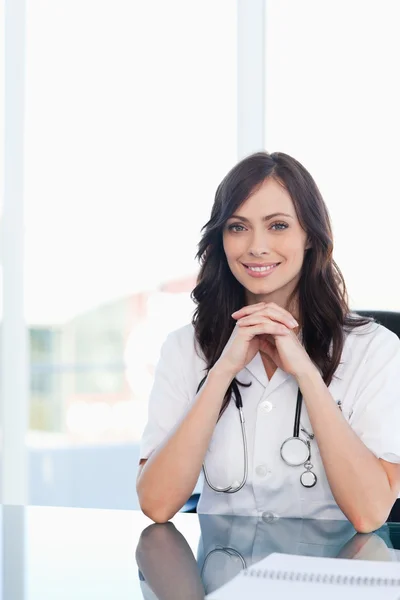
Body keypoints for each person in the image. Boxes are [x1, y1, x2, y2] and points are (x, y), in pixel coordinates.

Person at [136, 151, 400, 532]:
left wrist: (307, 374)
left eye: (277, 226)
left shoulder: (374, 350)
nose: (256, 246)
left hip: (328, 579)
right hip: (223, 579)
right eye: (238, 227)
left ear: (310, 235)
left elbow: (370, 513)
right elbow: (156, 504)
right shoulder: (184, 349)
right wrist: (223, 370)